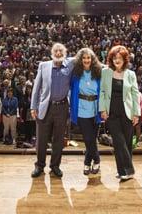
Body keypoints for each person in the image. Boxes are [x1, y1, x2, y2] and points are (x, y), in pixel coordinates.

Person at [30, 43, 73, 178]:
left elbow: (85, 55)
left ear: (65, 53)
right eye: (56, 51)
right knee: (41, 139)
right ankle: (39, 166)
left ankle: (55, 166)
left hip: (62, 107)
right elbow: (36, 88)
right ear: (52, 53)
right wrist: (33, 106)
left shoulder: (70, 64)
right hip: (45, 107)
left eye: (61, 51)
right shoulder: (44, 65)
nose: (58, 53)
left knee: (58, 140)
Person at [99, 45, 140, 181]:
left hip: (127, 112)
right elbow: (102, 92)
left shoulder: (131, 74)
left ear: (124, 60)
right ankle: (129, 169)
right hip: (112, 113)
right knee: (118, 140)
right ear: (111, 59)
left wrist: (136, 113)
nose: (117, 60)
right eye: (115, 58)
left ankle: (122, 171)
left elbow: (135, 94)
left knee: (127, 142)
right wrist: (103, 109)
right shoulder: (105, 72)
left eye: (120, 58)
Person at [69, 47, 102, 176]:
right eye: (84, 58)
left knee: (92, 139)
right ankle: (97, 160)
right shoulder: (76, 73)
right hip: (81, 108)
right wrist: (79, 53)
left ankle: (87, 163)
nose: (86, 60)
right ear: (80, 60)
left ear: (92, 59)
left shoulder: (99, 72)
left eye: (89, 58)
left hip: (95, 109)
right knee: (88, 138)